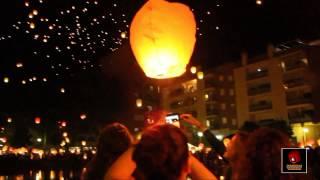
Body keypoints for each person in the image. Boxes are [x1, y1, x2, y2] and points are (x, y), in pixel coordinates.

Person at [105, 124, 217, 180]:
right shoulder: (187, 163)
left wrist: (147, 141)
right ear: (187, 167)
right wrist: (177, 146)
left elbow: (113, 177)